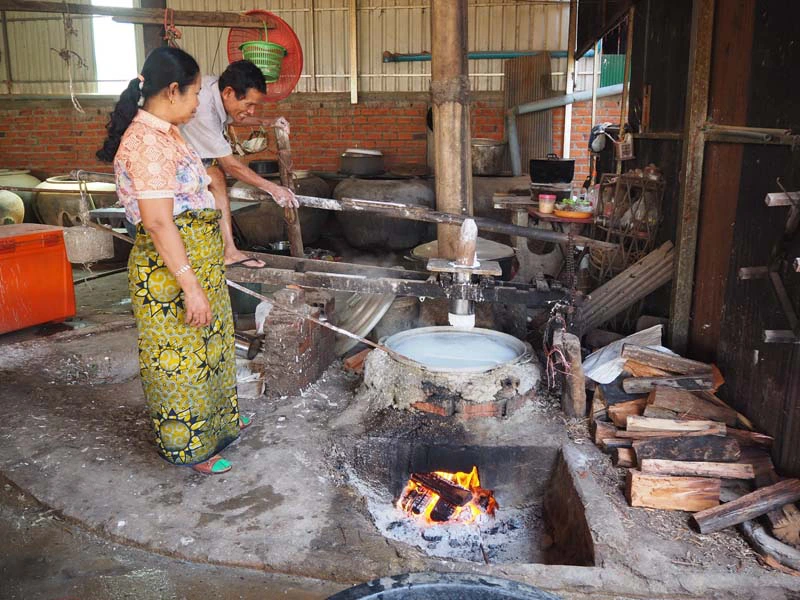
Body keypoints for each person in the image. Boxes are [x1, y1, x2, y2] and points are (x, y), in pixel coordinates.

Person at [97, 47, 249, 475]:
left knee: (211, 350)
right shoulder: (145, 143)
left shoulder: (168, 132)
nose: (199, 104)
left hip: (196, 261)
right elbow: (160, 224)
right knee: (180, 363)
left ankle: (218, 424)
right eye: (196, 94)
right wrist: (191, 286)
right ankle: (191, 448)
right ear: (172, 90)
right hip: (170, 272)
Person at [180, 60, 298, 269]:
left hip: (188, 155)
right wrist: (274, 189)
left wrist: (265, 121)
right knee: (215, 175)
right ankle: (229, 250)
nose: (251, 111)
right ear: (228, 93)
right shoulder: (203, 110)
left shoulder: (217, 87)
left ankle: (229, 249)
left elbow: (235, 116)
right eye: (249, 104)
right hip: (172, 162)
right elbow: (231, 165)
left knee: (215, 176)